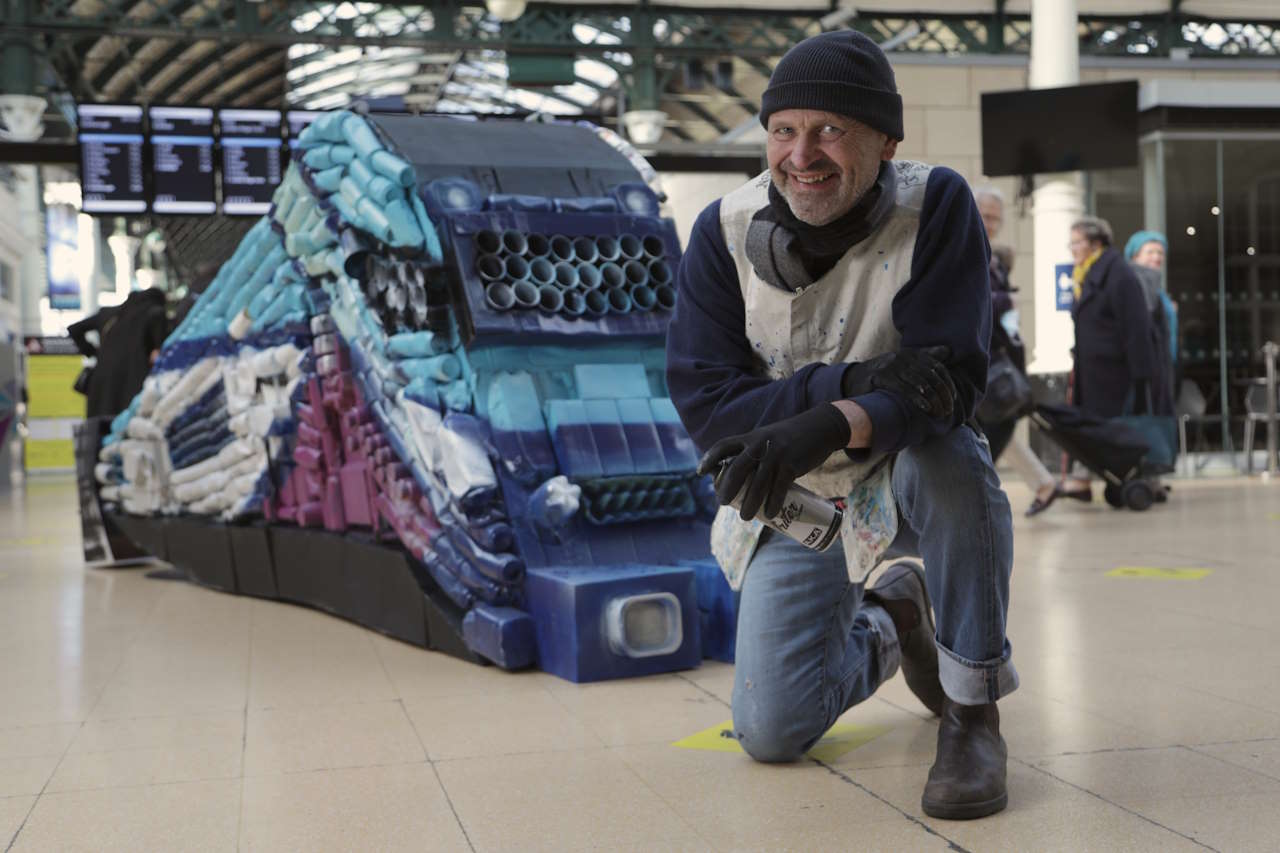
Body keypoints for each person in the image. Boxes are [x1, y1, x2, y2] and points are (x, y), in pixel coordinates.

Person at [666, 31, 1016, 820]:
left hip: (906, 461)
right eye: (784, 130)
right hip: (800, 491)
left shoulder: (937, 206)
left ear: (886, 141)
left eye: (831, 129)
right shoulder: (720, 233)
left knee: (952, 462)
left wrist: (829, 419)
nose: (803, 154)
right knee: (771, 730)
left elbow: (948, 383)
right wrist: (851, 389)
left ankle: (972, 713)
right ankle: (896, 616)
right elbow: (708, 407)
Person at [1054, 217, 1159, 500]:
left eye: (1076, 242)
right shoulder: (1088, 273)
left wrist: (1141, 377)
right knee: (1097, 428)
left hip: (1114, 373)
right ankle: (1090, 479)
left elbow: (1136, 328)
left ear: (1095, 243)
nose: (1072, 248)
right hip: (1094, 371)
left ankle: (1118, 478)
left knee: (1110, 429)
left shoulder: (1117, 274)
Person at [973, 187, 1059, 516]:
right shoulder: (967, 249)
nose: (991, 223)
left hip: (996, 364)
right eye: (985, 216)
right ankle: (1041, 483)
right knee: (992, 429)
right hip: (979, 361)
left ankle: (1034, 485)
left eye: (996, 218)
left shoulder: (993, 259)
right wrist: (1006, 300)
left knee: (994, 429)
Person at [68, 288, 167, 419]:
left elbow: (74, 329)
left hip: (102, 384)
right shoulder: (155, 314)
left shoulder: (108, 314)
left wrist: (94, 352)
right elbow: (157, 353)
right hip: (134, 383)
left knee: (100, 428)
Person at [1124, 230, 1176, 416]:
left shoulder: (1154, 285)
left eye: (1160, 253)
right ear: (1135, 255)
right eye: (1151, 252)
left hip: (1160, 363)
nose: (1157, 257)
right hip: (1151, 367)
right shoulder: (1138, 280)